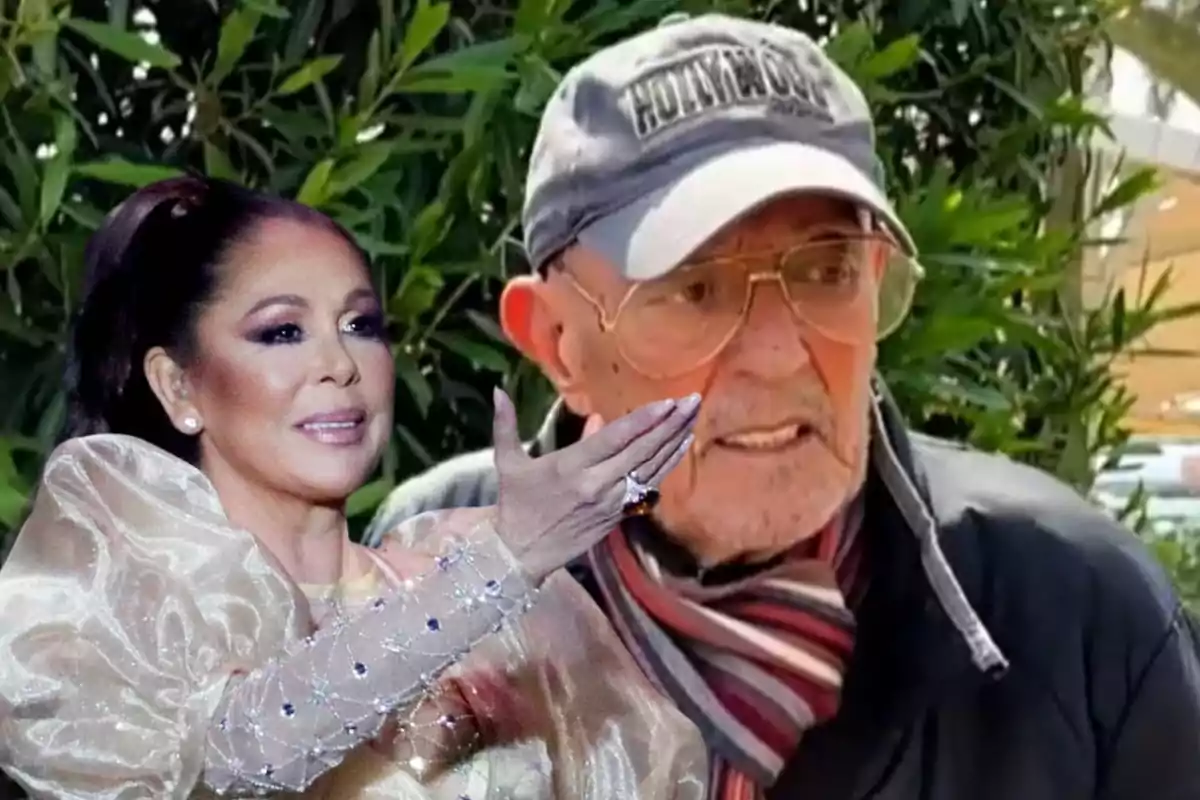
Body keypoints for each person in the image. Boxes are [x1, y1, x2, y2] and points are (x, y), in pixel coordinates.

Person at [368, 12, 1200, 800]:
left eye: (826, 273)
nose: (777, 354)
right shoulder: (431, 573)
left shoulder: (1076, 612)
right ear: (556, 343)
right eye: (694, 287)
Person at [0, 176, 711, 799]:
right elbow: (237, 758)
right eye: (281, 332)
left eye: (361, 325)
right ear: (178, 385)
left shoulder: (488, 581)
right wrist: (503, 563)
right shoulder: (133, 581)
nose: (339, 364)